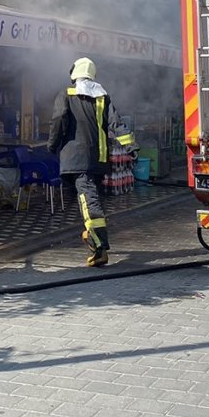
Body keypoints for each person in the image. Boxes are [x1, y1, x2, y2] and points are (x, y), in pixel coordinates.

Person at [47, 57, 134, 267]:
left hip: (76, 159)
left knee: (88, 202)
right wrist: (132, 147)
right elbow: (117, 123)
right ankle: (94, 238)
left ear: (74, 74)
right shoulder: (102, 97)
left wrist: (52, 144)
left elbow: (58, 120)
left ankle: (99, 246)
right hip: (98, 159)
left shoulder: (66, 95)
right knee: (90, 198)